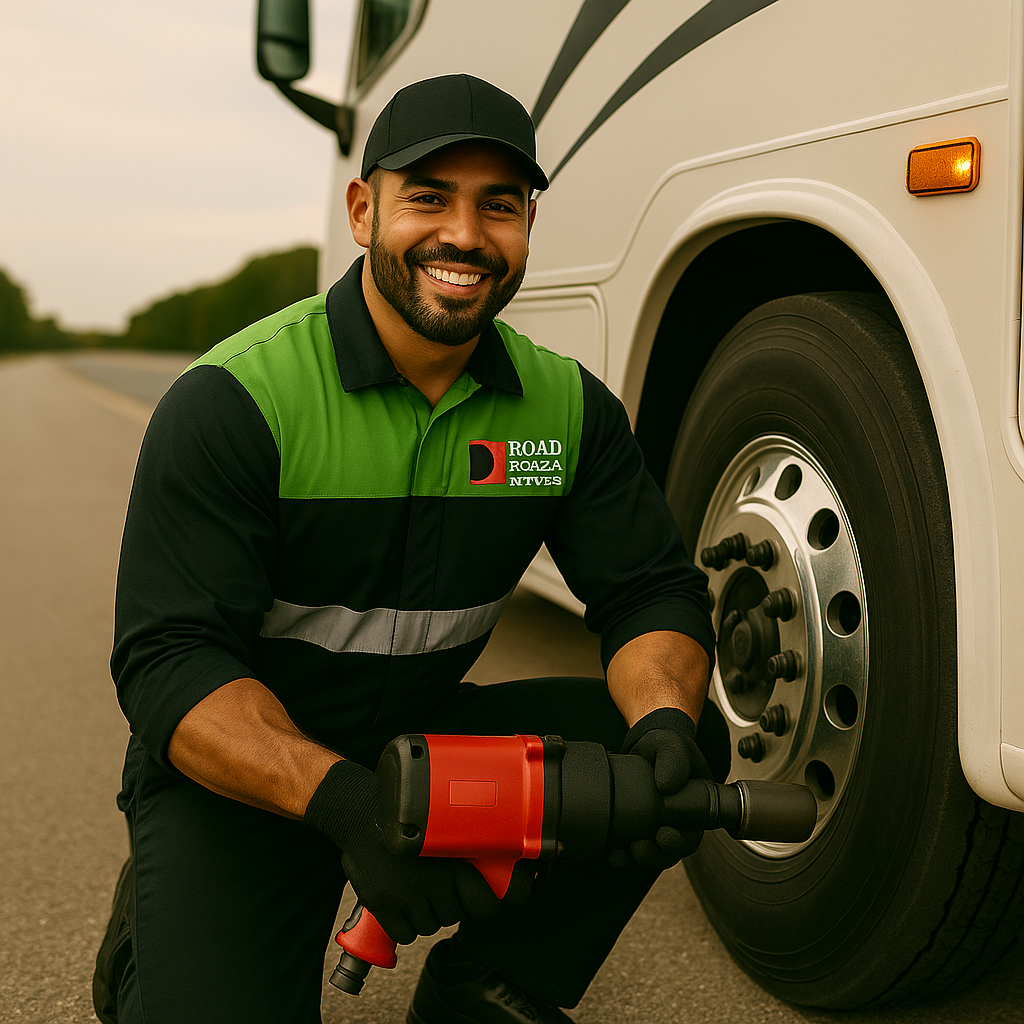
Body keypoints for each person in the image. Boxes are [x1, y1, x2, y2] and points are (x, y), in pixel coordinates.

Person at [93, 74, 722, 1024]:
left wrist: (665, 734)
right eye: (427, 197)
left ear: (525, 226)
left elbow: (647, 595)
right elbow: (169, 665)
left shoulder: (565, 414)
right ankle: (159, 924)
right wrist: (355, 811)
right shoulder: (235, 401)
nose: (465, 237)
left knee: (668, 750)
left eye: (497, 207)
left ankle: (489, 992)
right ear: (362, 210)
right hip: (246, 776)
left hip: (423, 748)